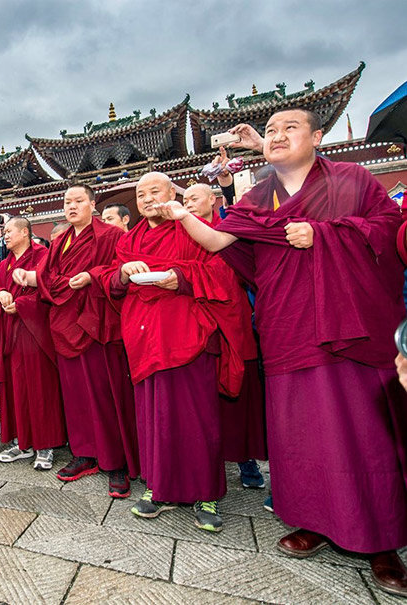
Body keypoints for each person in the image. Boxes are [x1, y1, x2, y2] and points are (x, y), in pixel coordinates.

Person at [158, 108, 407, 595]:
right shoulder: (255, 196)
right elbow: (217, 240)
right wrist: (182, 213)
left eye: (290, 128)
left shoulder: (354, 180)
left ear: (318, 136)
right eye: (270, 131)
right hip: (289, 324)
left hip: (353, 327)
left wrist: (327, 235)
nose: (277, 135)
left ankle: (381, 541)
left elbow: (387, 232)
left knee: (365, 433)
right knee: (302, 434)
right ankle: (313, 519)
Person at [104, 172, 257, 532]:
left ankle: (205, 493)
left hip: (188, 333)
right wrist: (124, 272)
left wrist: (181, 277)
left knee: (196, 416)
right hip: (143, 335)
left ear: (173, 193)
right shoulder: (131, 240)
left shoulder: (195, 228)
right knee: (152, 415)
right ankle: (158, 488)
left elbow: (221, 276)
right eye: (140, 194)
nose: (146, 198)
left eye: (154, 191)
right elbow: (112, 278)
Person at [13, 184, 137, 496]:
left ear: (93, 204)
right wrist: (42, 280)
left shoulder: (111, 235)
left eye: (78, 200)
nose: (71, 206)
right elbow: (46, 277)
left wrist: (93, 276)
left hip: (97, 324)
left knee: (105, 393)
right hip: (65, 323)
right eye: (67, 202)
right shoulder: (61, 242)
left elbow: (120, 269)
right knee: (76, 394)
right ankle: (85, 454)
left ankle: (116, 462)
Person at [183, 183, 268, 489]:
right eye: (185, 200)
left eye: (195, 198)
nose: (189, 204)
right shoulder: (182, 234)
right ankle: (210, 459)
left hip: (231, 320)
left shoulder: (228, 229)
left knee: (239, 396)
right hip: (196, 324)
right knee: (205, 399)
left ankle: (247, 462)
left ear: (212, 200)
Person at [0, 217, 66, 470]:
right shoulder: (5, 264)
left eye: (9, 231)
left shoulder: (42, 255)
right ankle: (23, 443)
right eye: (4, 232)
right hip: (11, 334)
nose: (5, 235)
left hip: (35, 334)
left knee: (40, 388)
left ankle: (45, 445)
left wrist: (20, 304)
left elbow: (49, 288)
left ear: (24, 232)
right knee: (15, 389)